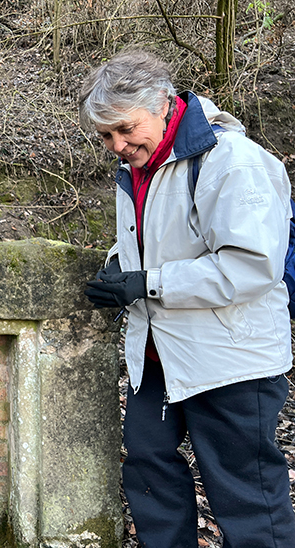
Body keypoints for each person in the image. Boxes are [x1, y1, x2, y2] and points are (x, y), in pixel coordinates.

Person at [80, 49, 295, 547]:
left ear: (161, 103)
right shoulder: (139, 163)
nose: (116, 144)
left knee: (245, 489)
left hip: (231, 357)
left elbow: (251, 265)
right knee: (149, 469)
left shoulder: (233, 161)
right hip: (158, 354)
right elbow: (162, 235)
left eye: (124, 129)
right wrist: (119, 266)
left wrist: (148, 282)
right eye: (105, 136)